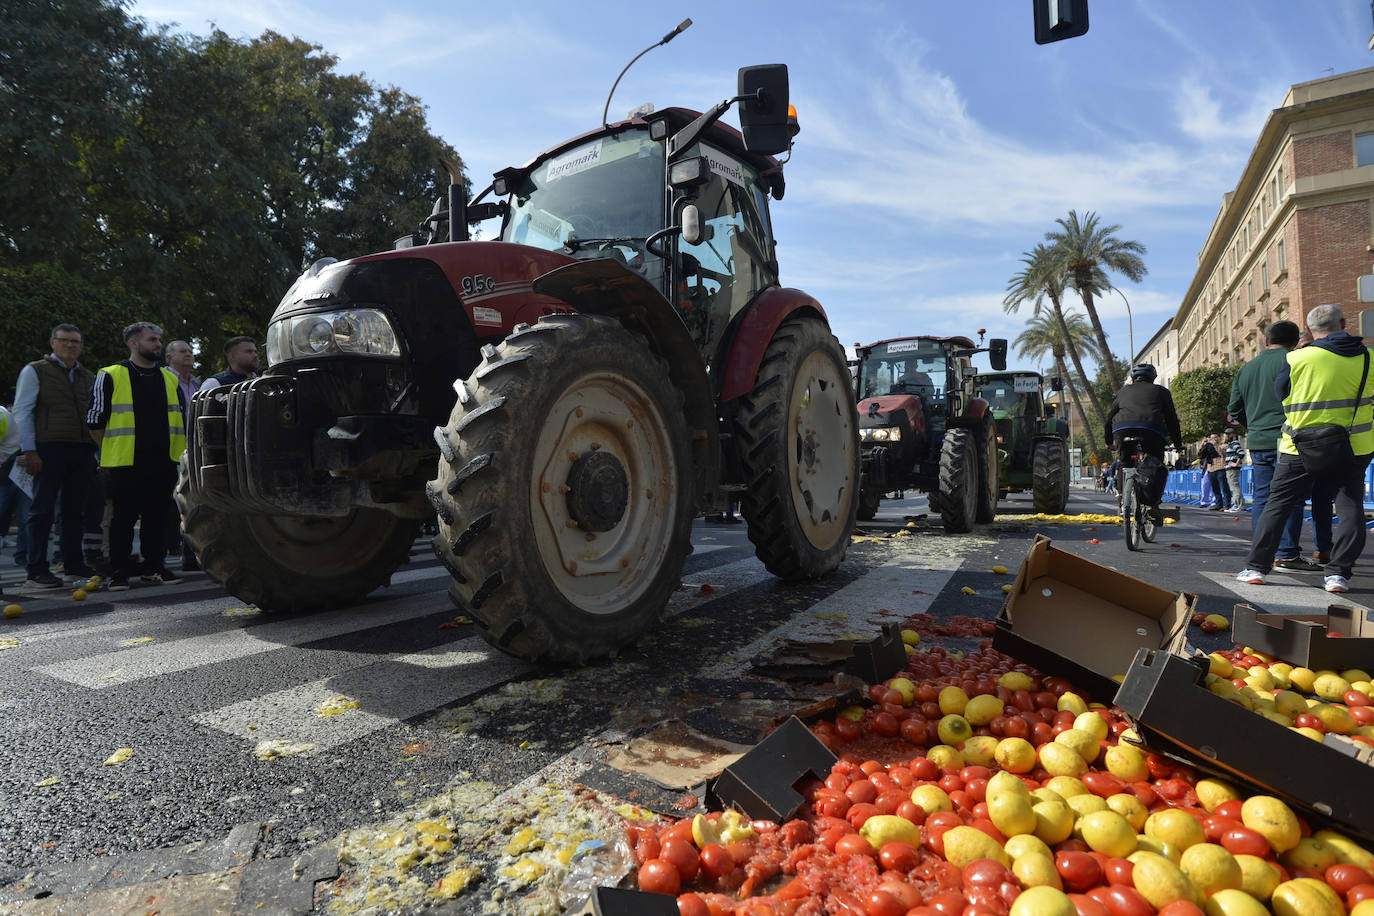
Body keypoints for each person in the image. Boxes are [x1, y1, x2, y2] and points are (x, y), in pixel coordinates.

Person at [1237, 305, 1374, 593]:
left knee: (1278, 504)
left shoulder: (1297, 357)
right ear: (1344, 322)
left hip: (1299, 445)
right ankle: (1338, 575)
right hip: (1354, 444)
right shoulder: (1368, 356)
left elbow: (1281, 392)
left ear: (1310, 331)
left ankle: (1256, 568)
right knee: (1350, 508)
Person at [87, 322, 187, 591]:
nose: (158, 344)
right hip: (125, 463)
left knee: (157, 516)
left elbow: (182, 417)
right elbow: (95, 421)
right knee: (123, 518)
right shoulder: (110, 375)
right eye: (152, 339)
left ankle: (154, 566)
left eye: (159, 340)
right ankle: (119, 571)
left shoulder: (169, 378)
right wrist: (108, 452)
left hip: (164, 460)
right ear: (133, 343)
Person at [1226, 320, 1320, 571]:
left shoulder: (1246, 369)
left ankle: (1263, 552)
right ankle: (1287, 553)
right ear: (1294, 341)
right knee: (1292, 497)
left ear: (1266, 341)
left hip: (1258, 440)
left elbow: (1233, 410)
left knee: (1262, 497)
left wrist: (1253, 426)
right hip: (1290, 439)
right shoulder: (1296, 360)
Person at [13, 324, 100, 588]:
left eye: (75, 341)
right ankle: (36, 568)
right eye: (64, 340)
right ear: (53, 343)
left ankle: (73, 565)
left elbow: (95, 416)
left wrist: (98, 453)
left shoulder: (88, 376)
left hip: (82, 449)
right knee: (41, 510)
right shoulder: (35, 370)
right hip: (48, 448)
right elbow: (23, 411)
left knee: (74, 511)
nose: (70, 345)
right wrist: (29, 450)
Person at [1102, 363, 1183, 519]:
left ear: (1132, 379)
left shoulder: (1123, 392)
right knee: (1156, 465)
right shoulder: (1161, 391)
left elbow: (1108, 419)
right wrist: (1177, 443)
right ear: (1153, 379)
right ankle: (1152, 504)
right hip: (1151, 429)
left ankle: (1121, 500)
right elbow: (1172, 419)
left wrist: (1108, 441)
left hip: (1122, 429)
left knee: (1125, 464)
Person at [1196, 434, 1228, 510]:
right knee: (1206, 485)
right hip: (1208, 468)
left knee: (1220, 486)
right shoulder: (1208, 446)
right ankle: (1204, 502)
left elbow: (1222, 453)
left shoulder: (1222, 446)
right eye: (1211, 438)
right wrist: (1202, 443)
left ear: (1219, 438)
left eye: (1215, 438)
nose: (1213, 439)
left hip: (1219, 468)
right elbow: (1200, 454)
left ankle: (1216, 502)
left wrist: (1215, 445)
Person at [1224, 432, 1245, 511]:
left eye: (1227, 434)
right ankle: (1240, 505)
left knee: (1234, 487)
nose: (1225, 436)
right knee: (1234, 487)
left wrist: (1236, 464)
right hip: (1230, 469)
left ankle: (1238, 505)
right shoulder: (1231, 444)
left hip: (1232, 469)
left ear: (1232, 435)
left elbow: (1241, 453)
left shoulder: (1234, 443)